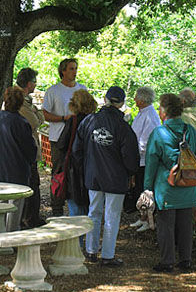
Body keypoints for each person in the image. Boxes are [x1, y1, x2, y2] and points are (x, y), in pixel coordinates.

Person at [73, 86, 140, 266]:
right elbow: (131, 157)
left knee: (93, 212)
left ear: (105, 99)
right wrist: (130, 173)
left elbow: (76, 150)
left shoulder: (89, 121)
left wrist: (86, 168)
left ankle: (91, 250)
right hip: (116, 179)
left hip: (93, 176)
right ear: (121, 104)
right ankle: (108, 255)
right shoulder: (124, 128)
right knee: (112, 216)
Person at [144, 93, 196, 273]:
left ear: (164, 111)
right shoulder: (190, 130)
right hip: (188, 184)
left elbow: (151, 162)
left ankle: (167, 261)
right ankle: (186, 260)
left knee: (166, 225)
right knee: (186, 225)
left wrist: (147, 188)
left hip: (167, 186)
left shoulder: (159, 133)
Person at [42, 58, 87, 216]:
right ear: (63, 71)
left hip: (78, 138)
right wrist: (63, 119)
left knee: (79, 172)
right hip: (58, 139)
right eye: (71, 69)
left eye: (75, 68)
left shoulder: (82, 89)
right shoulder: (53, 90)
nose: (74, 71)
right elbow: (45, 114)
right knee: (59, 173)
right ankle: (57, 209)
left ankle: (79, 206)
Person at [0, 86, 37, 232]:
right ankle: (11, 235)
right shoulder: (21, 122)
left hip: (0, 166)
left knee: (1, 201)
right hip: (17, 169)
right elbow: (29, 148)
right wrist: (32, 159)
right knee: (15, 205)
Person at [56, 89, 97, 217]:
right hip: (92, 168)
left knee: (74, 208)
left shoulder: (72, 121)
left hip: (73, 169)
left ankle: (78, 236)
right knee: (89, 206)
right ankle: (88, 236)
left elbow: (61, 144)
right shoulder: (95, 121)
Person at [16, 68, 46, 229]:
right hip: (26, 151)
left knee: (33, 183)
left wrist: (37, 113)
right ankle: (29, 219)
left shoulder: (24, 99)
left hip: (26, 150)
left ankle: (30, 217)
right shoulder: (21, 101)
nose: (36, 84)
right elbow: (35, 122)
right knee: (31, 184)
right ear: (29, 83)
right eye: (35, 81)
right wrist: (37, 113)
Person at [130, 86, 161, 232]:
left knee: (145, 191)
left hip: (144, 160)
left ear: (142, 99)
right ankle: (142, 218)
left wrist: (136, 153)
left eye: (136, 96)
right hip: (138, 158)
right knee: (140, 190)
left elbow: (146, 140)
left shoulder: (150, 115)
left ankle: (148, 220)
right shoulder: (143, 113)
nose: (134, 99)